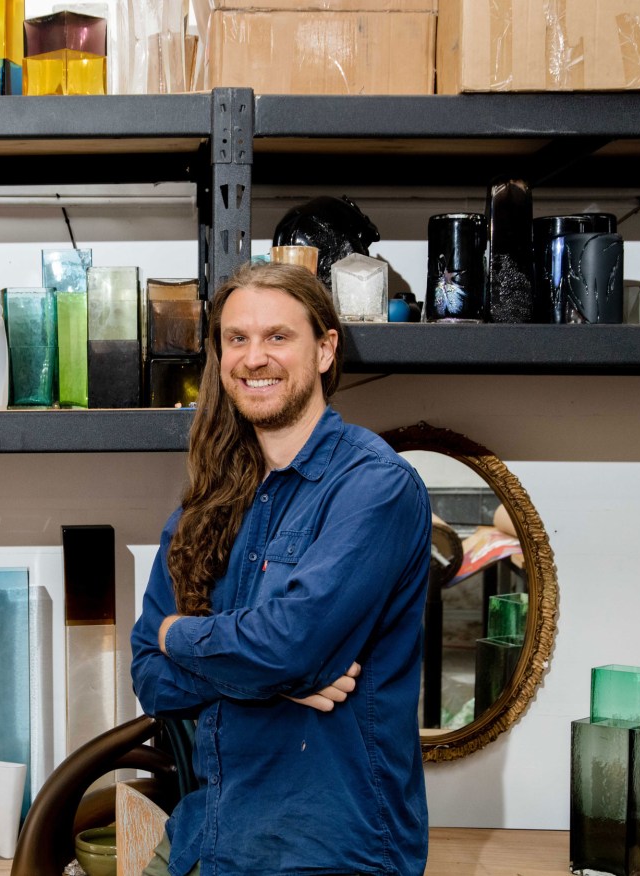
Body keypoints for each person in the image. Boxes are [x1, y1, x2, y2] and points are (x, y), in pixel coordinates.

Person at [130, 261, 432, 876]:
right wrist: (270, 676)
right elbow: (148, 673)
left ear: (324, 350)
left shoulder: (373, 488)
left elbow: (287, 648)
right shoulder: (210, 501)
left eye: (277, 337)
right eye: (236, 339)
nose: (253, 357)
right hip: (205, 840)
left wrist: (178, 638)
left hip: (331, 851)